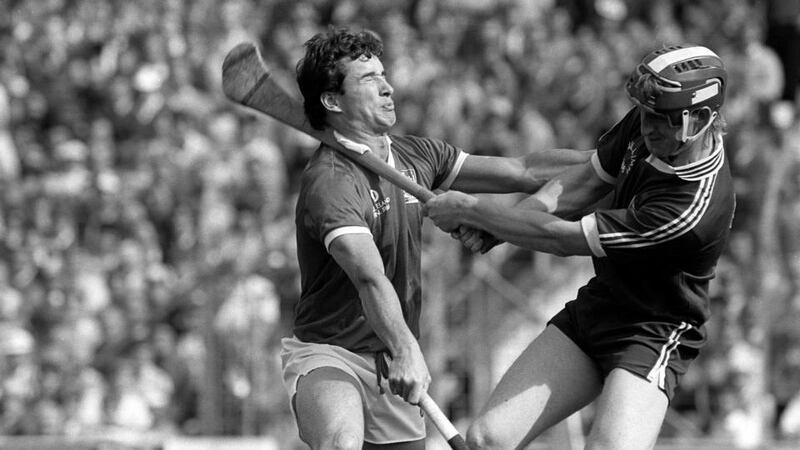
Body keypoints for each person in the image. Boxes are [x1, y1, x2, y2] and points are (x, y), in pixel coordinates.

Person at [279, 26, 590, 449]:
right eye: (369, 80)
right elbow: (370, 278)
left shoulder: (416, 156)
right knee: (341, 443)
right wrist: (407, 348)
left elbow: (525, 171)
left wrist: (614, 161)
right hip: (332, 355)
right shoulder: (329, 182)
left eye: (384, 75)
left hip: (393, 361)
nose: (388, 87)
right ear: (332, 101)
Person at [424, 44, 736, 449]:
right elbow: (584, 183)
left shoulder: (690, 209)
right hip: (600, 306)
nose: (646, 127)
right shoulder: (654, 124)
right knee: (488, 440)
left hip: (653, 330)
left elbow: (560, 238)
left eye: (661, 119)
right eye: (644, 113)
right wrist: (510, 222)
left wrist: (477, 211)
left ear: (701, 118)